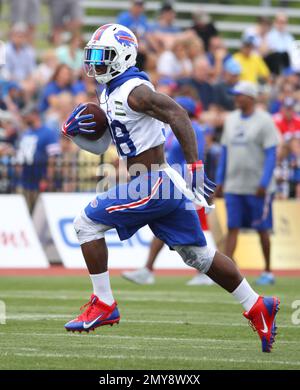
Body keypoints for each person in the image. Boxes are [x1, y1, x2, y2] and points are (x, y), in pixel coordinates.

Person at [62, 24, 280, 353]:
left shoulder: (134, 89)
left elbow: (178, 113)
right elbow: (109, 142)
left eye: (102, 57)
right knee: (198, 255)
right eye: (92, 57)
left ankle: (104, 304)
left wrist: (195, 164)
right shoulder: (108, 90)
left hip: (152, 182)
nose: (95, 64)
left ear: (122, 57)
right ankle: (256, 304)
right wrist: (78, 132)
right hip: (157, 181)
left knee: (86, 223)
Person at [121, 96, 213, 286]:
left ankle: (205, 271)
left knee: (194, 228)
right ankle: (148, 269)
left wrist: (193, 180)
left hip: (185, 183)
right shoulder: (171, 129)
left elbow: (198, 154)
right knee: (164, 228)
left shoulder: (194, 129)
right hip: (173, 182)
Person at [215, 81, 280, 286]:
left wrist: (264, 181)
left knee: (262, 229)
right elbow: (224, 151)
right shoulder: (231, 119)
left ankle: (268, 270)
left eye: (239, 95)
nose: (236, 98)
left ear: (250, 97)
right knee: (232, 227)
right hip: (234, 185)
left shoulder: (265, 121)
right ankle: (226, 273)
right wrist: (220, 180)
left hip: (257, 188)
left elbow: (271, 154)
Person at [16, 104, 60, 211]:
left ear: (35, 115)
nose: (25, 118)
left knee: (37, 213)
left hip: (39, 181)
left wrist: (47, 179)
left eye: (27, 115)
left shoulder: (48, 133)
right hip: (24, 181)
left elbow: (52, 158)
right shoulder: (26, 133)